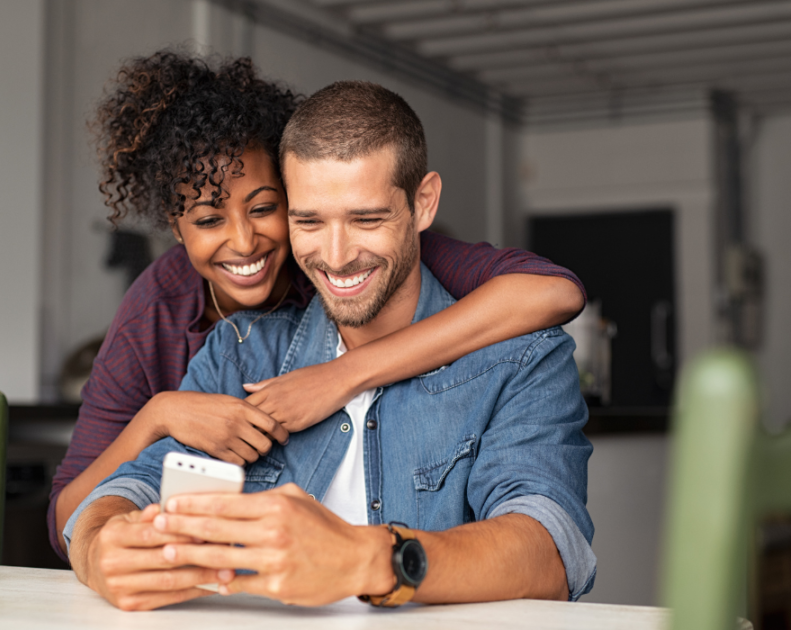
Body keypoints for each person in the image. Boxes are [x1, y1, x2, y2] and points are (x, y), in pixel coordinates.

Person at [64, 80, 595, 611]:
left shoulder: (522, 358)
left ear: (423, 203)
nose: (337, 256)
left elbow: (548, 551)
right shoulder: (239, 352)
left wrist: (367, 559)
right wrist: (98, 549)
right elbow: (124, 490)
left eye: (367, 219)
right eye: (309, 221)